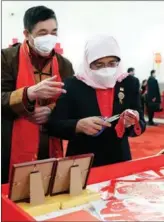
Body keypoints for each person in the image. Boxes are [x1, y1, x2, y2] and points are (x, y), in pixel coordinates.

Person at [47, 35, 146, 167]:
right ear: (88, 63)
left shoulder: (129, 83)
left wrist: (132, 122)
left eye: (112, 63)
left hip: (119, 158)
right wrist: (78, 125)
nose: (106, 69)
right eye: (98, 65)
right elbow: (54, 125)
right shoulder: (73, 85)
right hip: (82, 162)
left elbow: (140, 123)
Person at [1, 6, 74, 184]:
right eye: (42, 33)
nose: (49, 37)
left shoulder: (64, 64)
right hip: (11, 142)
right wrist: (29, 93)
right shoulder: (7, 58)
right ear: (27, 34)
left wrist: (51, 111)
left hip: (49, 140)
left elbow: (71, 103)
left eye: (54, 32)